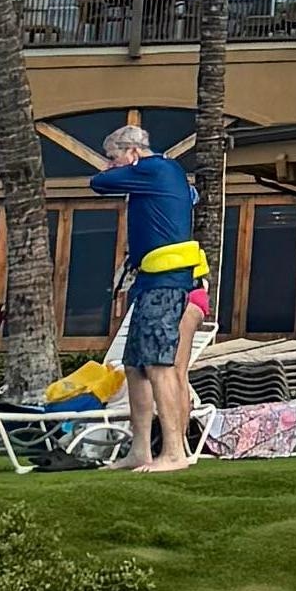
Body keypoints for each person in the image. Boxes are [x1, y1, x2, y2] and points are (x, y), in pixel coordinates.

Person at [81, 122, 213, 469]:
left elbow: (99, 183)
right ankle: (140, 450)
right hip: (149, 281)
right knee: (135, 366)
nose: (110, 164)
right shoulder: (156, 177)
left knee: (159, 365)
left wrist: (116, 172)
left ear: (132, 152)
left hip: (168, 282)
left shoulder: (155, 169)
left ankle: (174, 452)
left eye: (113, 157)